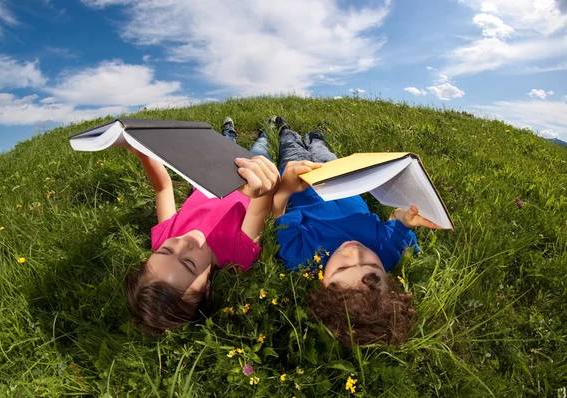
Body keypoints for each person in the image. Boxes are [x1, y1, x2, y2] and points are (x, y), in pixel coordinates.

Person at [270, 116, 441, 347]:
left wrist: (285, 188)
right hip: (343, 176)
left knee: (290, 147)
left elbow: (278, 215)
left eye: (342, 268)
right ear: (387, 274)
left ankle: (286, 131)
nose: (355, 254)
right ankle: (315, 138)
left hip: (301, 181)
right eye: (372, 265)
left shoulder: (301, 256)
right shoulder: (386, 252)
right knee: (323, 152)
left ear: (322, 285)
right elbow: (397, 221)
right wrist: (406, 219)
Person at [125, 117, 280, 335]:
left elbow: (162, 188)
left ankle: (228, 131)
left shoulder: (163, 238)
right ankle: (267, 129)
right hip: (251, 172)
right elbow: (262, 203)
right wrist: (260, 189)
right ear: (206, 288)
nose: (182, 244)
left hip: (213, 170)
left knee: (223, 143)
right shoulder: (238, 257)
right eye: (188, 263)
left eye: (166, 250)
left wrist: (143, 154)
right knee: (259, 147)